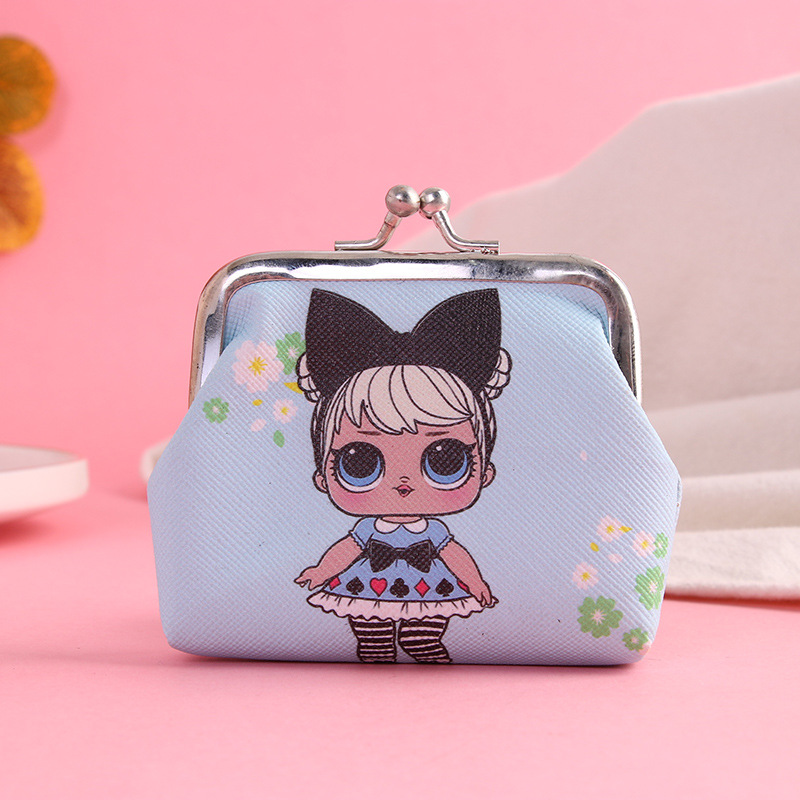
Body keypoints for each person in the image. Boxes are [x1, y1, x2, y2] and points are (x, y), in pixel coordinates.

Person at [294, 288, 511, 663]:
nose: (403, 484)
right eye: (360, 462)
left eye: (445, 461)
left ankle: (424, 653)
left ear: (485, 471)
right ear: (322, 476)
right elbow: (347, 549)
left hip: (430, 588)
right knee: (372, 638)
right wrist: (321, 570)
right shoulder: (369, 531)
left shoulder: (432, 533)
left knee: (422, 638)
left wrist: (475, 582)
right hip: (367, 585)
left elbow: (454, 554)